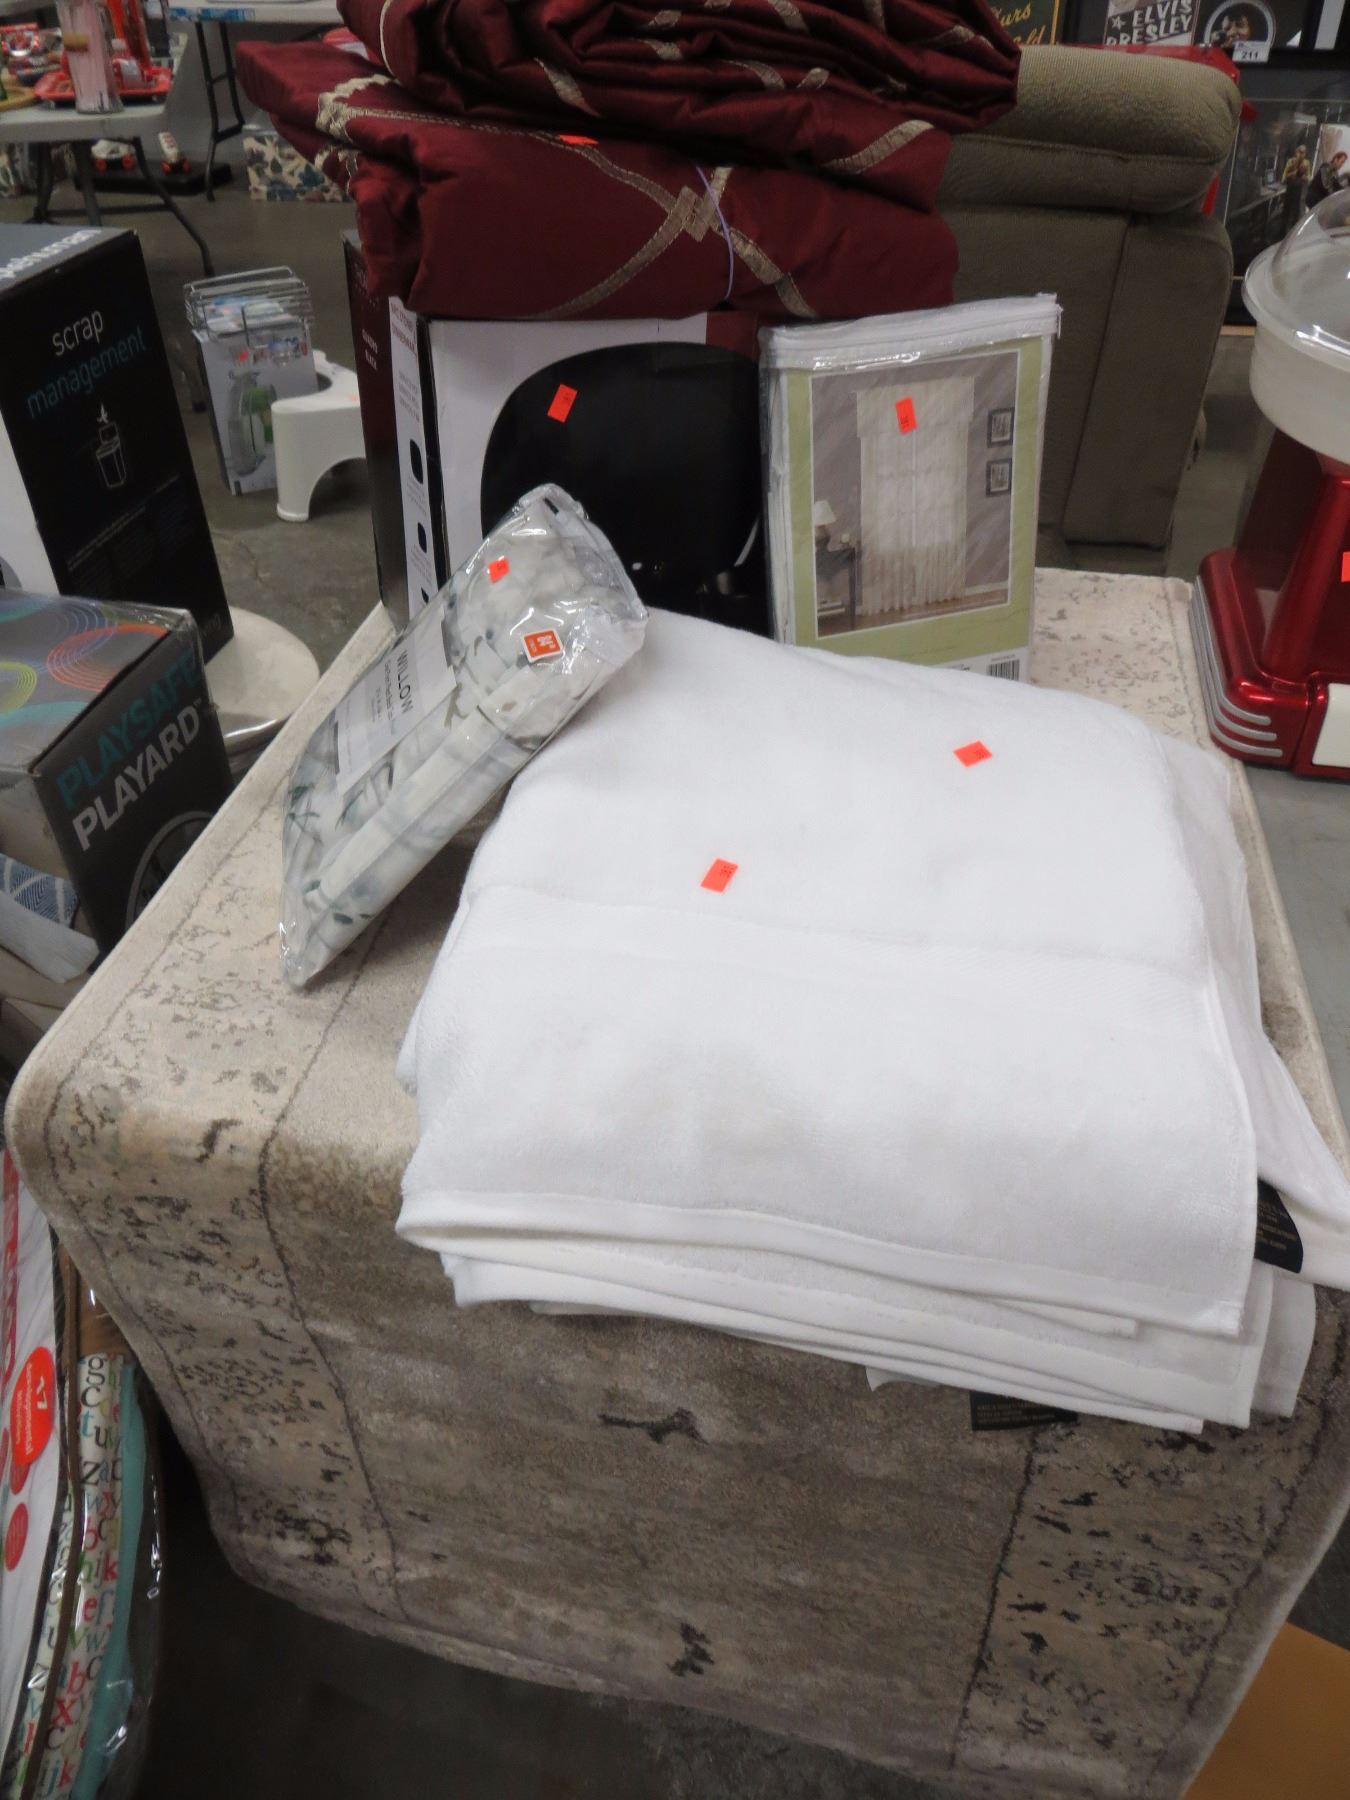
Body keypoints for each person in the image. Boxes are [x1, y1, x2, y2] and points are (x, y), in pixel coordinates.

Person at [1281, 143, 1311, 236]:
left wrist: (1303, 175)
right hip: (1290, 192)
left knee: (1296, 216)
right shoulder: (1290, 162)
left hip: (1300, 194)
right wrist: (1293, 173)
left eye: (1303, 152)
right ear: (1296, 152)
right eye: (1300, 152)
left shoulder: (1306, 163)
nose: (1301, 154)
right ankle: (1283, 234)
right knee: (1286, 215)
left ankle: (1293, 235)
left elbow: (1308, 179)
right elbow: (1283, 179)